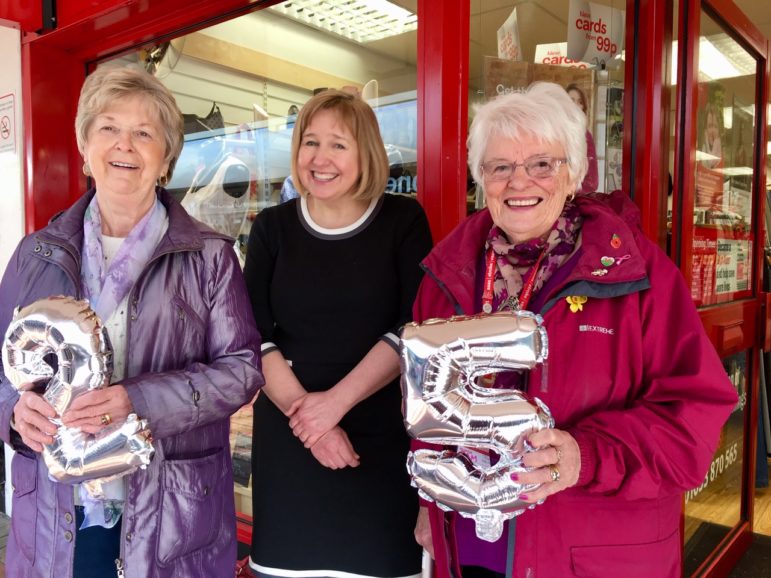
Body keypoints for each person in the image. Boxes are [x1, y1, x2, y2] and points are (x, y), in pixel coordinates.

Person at [411, 82, 738, 578]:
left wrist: (584, 456)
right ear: (481, 178)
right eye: (500, 167)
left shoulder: (639, 274)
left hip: (593, 550)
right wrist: (428, 504)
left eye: (542, 163)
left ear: (574, 175)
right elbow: (426, 406)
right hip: (472, 542)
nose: (519, 182)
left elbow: (692, 422)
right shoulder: (447, 272)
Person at [0, 65, 264, 578]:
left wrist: (136, 401)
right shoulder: (36, 253)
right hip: (57, 512)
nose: (125, 144)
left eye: (145, 133)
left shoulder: (208, 256)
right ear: (84, 146)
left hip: (169, 514)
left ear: (165, 158)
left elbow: (241, 370)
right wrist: (14, 412)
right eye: (109, 127)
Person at [244, 89, 432, 578]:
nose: (320, 159)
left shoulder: (403, 220)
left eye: (338, 145)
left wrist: (332, 408)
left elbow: (412, 327)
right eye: (310, 142)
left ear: (365, 152)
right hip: (291, 440)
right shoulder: (272, 227)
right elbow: (251, 335)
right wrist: (312, 423)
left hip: (379, 439)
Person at [564, 83, 598, 193]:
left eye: (580, 102)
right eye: (571, 100)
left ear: (583, 107)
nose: (575, 105)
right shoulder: (554, 132)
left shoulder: (585, 136)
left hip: (576, 198)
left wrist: (571, 193)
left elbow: (592, 181)